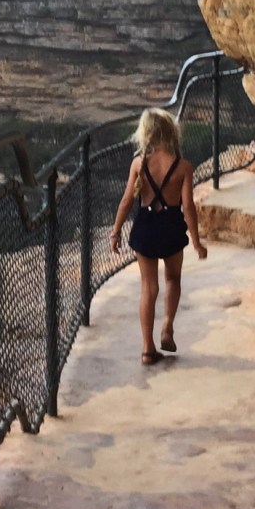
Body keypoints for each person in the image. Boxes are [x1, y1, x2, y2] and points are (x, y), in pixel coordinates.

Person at [109, 108, 207, 365]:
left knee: (148, 288)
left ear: (146, 133)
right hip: (172, 227)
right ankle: (167, 327)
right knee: (173, 279)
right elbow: (188, 207)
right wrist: (196, 242)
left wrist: (116, 231)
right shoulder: (183, 167)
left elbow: (127, 200)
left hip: (146, 227)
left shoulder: (139, 164)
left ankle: (147, 349)